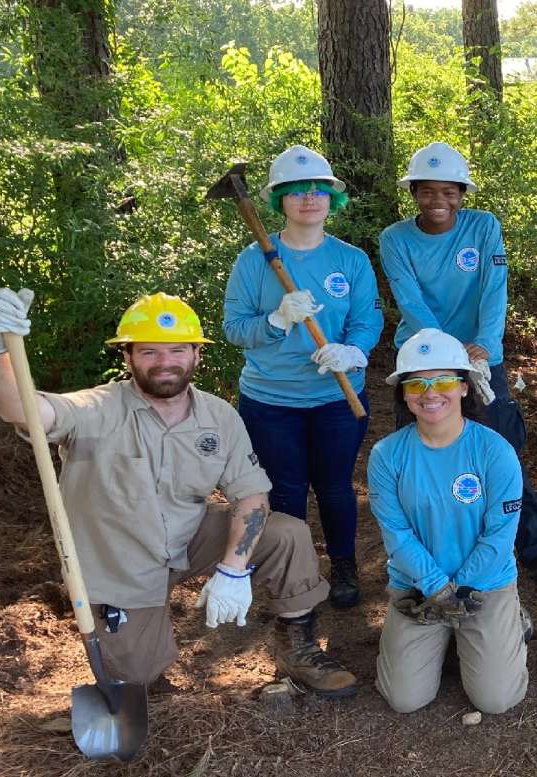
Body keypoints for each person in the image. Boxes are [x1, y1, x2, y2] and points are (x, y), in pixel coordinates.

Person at [0, 290, 357, 697]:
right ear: (128, 357)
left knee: (286, 533)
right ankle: (141, 665)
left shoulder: (218, 415)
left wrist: (232, 568)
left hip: (186, 536)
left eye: (177, 350)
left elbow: (252, 496)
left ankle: (297, 649)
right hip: (120, 563)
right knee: (138, 683)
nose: (165, 362)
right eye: (149, 352)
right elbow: (21, 409)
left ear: (196, 355)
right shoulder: (95, 408)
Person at [379, 141, 537, 582]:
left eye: (449, 192)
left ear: (463, 194)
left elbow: (494, 288)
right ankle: (418, 556)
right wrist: (446, 351)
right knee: (417, 456)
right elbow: (410, 302)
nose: (439, 202)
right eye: (428, 191)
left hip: (482, 360)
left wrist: (485, 345)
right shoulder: (395, 239)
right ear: (413, 192)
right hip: (423, 359)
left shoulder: (483, 227)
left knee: (500, 452)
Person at [223, 145, 383, 609]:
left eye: (318, 190)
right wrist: (275, 320)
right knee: (286, 490)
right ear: (280, 201)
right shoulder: (254, 260)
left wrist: (353, 352)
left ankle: (344, 565)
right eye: (296, 191)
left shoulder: (351, 260)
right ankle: (294, 574)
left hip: (338, 397)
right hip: (270, 402)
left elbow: (366, 321)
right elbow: (234, 330)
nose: (309, 198)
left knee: (335, 485)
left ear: (332, 199)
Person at [368, 329, 529, 714]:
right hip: (418, 588)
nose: (430, 393)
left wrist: (460, 588)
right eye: (417, 384)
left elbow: (499, 537)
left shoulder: (495, 452)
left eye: (442, 381)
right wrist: (437, 588)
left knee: (496, 700)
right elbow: (397, 535)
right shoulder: (386, 456)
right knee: (405, 699)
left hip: (484, 584)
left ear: (463, 387)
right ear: (404, 394)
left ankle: (509, 621)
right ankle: (447, 637)